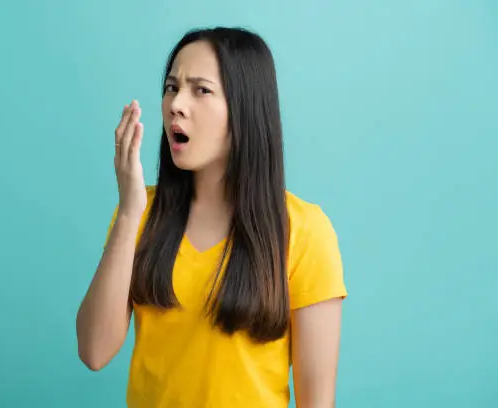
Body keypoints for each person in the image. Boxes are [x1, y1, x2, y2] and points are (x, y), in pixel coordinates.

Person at [76, 26, 348, 408]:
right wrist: (128, 213)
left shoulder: (304, 231)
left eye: (200, 90)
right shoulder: (140, 216)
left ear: (244, 109)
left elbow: (317, 401)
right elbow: (93, 351)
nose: (176, 104)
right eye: (171, 87)